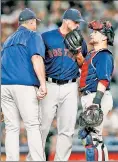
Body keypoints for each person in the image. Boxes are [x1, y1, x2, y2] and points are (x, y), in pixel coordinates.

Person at [41, 8, 87, 161]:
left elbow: (83, 65)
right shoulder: (46, 37)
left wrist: (78, 53)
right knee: (42, 127)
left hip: (70, 86)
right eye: (75, 22)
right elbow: (37, 60)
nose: (78, 25)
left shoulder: (80, 39)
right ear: (66, 20)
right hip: (50, 85)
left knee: (67, 130)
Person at [1, 8, 47, 161]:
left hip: (5, 86)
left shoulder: (8, 40)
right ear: (32, 22)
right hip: (24, 86)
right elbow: (36, 58)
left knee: (11, 128)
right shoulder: (33, 36)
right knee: (32, 125)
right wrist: (42, 84)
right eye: (35, 23)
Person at [78, 20, 115, 161]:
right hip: (91, 96)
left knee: (92, 139)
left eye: (96, 32)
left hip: (98, 96)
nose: (92, 34)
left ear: (105, 37)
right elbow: (86, 73)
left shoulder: (104, 55)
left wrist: (96, 102)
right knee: (92, 137)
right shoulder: (93, 54)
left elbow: (104, 79)